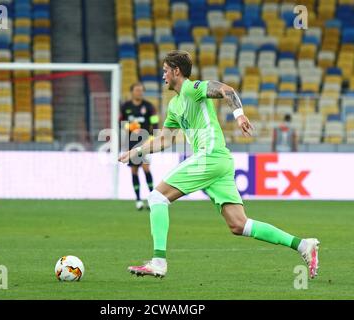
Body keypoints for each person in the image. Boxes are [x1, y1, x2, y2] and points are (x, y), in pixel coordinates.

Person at [118, 50, 320, 279]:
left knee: (157, 197)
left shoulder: (191, 88)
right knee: (239, 225)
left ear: (176, 71)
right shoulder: (175, 105)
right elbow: (165, 139)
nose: (162, 75)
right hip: (221, 161)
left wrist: (239, 115)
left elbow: (227, 90)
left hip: (210, 155)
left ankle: (158, 262)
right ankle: (303, 245)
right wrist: (135, 151)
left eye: (165, 70)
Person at [120, 82, 159, 210]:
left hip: (145, 141)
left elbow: (155, 122)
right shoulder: (126, 106)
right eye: (137, 90)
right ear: (132, 92)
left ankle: (152, 198)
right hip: (131, 141)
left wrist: (153, 137)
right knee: (134, 170)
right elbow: (121, 122)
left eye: (141, 90)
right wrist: (130, 126)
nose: (139, 92)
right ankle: (138, 200)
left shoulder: (148, 106)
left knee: (146, 168)